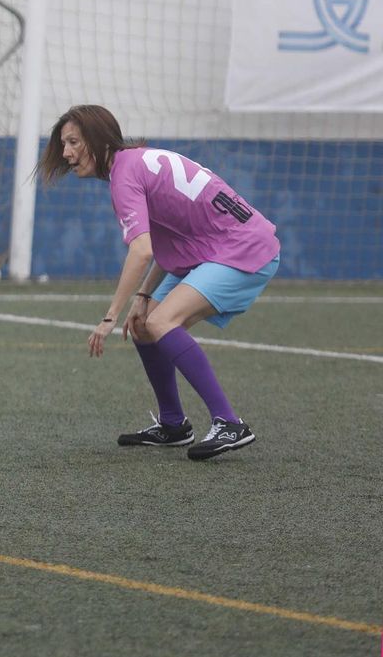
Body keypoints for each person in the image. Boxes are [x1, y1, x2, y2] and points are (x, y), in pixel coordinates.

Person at [40, 104, 278, 461]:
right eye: (63, 144)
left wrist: (109, 316)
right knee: (143, 324)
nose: (66, 153)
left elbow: (141, 251)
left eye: (73, 142)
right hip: (218, 247)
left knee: (161, 321)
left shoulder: (124, 175)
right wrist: (142, 296)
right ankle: (173, 425)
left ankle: (230, 423)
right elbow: (166, 241)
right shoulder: (135, 163)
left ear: (98, 137)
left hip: (243, 248)